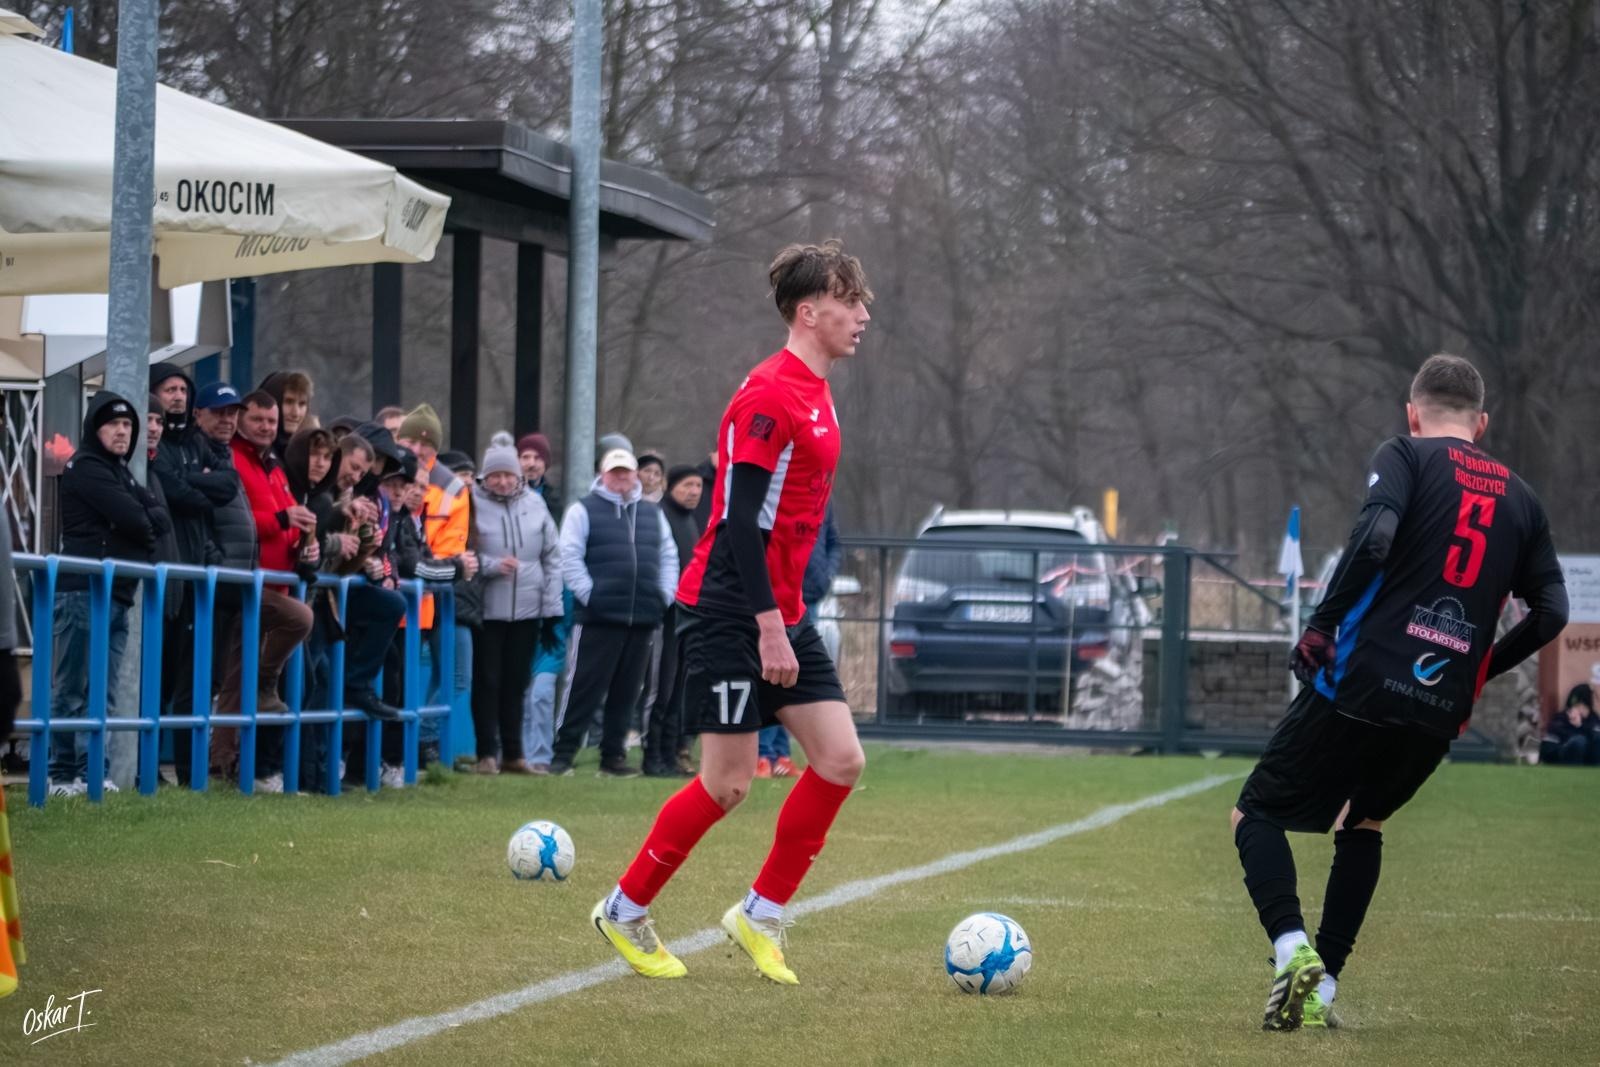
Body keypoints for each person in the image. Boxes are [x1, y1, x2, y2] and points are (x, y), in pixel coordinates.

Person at [1232, 353, 1570, 1032]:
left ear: (1412, 413)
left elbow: (1377, 535)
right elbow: (1553, 612)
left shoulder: (1407, 455)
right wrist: (1480, 666)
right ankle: (1323, 987)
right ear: (1483, 423)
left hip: (1362, 678)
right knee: (1363, 821)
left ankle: (1294, 950)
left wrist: (1322, 623)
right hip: (1441, 705)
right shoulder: (1524, 499)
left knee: (1255, 814)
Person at [591, 240, 872, 984]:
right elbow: (740, 520)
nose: (863, 314)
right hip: (728, 608)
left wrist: (786, 611)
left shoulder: (817, 388)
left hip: (781, 608)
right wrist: (768, 623)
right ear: (810, 312)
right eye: (851, 301)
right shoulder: (768, 394)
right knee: (728, 782)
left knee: (841, 760)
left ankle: (761, 913)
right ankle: (623, 908)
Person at [50, 391, 172, 796]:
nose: (123, 432)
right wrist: (137, 523)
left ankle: (91, 774)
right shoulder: (86, 467)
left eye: (127, 425)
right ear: (93, 428)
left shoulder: (120, 472)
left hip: (117, 595)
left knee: (102, 691)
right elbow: (136, 520)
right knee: (73, 688)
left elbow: (159, 520)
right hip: (83, 591)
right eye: (113, 424)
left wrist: (139, 522)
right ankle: (62, 775)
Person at [549, 447, 679, 778]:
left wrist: (663, 595)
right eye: (615, 472)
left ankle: (613, 757)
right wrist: (592, 595)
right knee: (583, 687)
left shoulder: (652, 513)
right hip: (597, 618)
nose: (621, 478)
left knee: (627, 692)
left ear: (635, 475)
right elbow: (570, 556)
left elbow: (668, 556)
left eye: (627, 472)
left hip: (642, 617)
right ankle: (563, 755)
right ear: (602, 475)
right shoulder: (584, 510)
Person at [218, 391, 316, 791]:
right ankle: (224, 761)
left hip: (274, 583)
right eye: (258, 419)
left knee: (235, 678)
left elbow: (288, 517)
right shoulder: (234, 459)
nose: (266, 427)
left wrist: (305, 542)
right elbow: (239, 523)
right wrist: (282, 518)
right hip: (246, 582)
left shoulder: (271, 465)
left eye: (271, 422)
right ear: (242, 420)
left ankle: (227, 762)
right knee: (238, 676)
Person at [150, 369, 242, 785]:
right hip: (164, 580)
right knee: (159, 678)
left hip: (196, 580)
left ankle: (189, 773)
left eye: (183, 390)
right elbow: (168, 489)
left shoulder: (195, 443)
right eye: (170, 390)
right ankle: (144, 767)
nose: (177, 397)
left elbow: (226, 484)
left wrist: (196, 488)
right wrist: (198, 488)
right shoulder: (160, 447)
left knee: (191, 682)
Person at [469, 434, 563, 774]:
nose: (503, 481)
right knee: (488, 681)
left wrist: (552, 611)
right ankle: (486, 753)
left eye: (509, 475)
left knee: (517, 681)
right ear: (485, 476)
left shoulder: (536, 504)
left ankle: (514, 753)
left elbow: (552, 556)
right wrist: (492, 566)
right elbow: (461, 552)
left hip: (528, 608)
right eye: (496, 475)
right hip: (487, 610)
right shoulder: (472, 503)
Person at [758, 501, 839, 778]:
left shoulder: (822, 497)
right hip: (776, 601)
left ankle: (782, 754)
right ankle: (762, 754)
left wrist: (826, 575)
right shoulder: (776, 492)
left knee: (794, 680)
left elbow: (832, 541)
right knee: (774, 676)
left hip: (809, 597)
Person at [642, 465, 704, 777]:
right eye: (687, 485)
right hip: (665, 614)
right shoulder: (658, 514)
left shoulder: (690, 520)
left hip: (687, 614)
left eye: (698, 486)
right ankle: (652, 754)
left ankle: (669, 753)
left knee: (679, 687)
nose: (694, 491)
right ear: (671, 487)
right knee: (661, 687)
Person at [1541, 684, 1600, 766]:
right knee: (1579, 741)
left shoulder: (1593, 718)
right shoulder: (1561, 718)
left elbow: (1595, 737)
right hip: (1563, 758)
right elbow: (1548, 748)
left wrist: (1580, 726)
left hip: (1588, 760)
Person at [258, 370, 315, 455]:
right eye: (289, 402)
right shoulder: (255, 451)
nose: (296, 413)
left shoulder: (309, 454)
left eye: (302, 404)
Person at [517, 432, 557, 508]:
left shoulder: (554, 501)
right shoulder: (506, 497)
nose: (532, 464)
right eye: (525, 457)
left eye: (538, 458)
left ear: (546, 463)